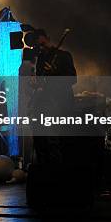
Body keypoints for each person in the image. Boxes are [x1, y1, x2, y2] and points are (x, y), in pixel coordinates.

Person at [30, 29, 77, 165]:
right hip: (44, 103)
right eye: (39, 46)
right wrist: (35, 83)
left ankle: (57, 174)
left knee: (54, 140)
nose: (42, 48)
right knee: (40, 139)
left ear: (48, 38)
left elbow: (73, 79)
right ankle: (44, 172)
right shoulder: (41, 60)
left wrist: (55, 73)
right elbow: (41, 82)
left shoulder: (64, 56)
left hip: (60, 103)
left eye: (43, 44)